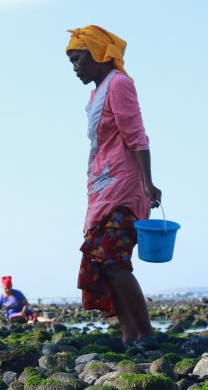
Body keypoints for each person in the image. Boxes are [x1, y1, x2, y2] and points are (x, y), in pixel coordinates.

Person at [66, 25, 162, 343]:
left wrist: (148, 183)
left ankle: (146, 334)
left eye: (78, 59)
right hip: (102, 190)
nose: (75, 67)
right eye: (72, 61)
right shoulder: (97, 93)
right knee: (104, 264)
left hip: (124, 188)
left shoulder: (119, 84)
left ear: (97, 53)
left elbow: (136, 135)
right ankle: (128, 335)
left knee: (113, 259)